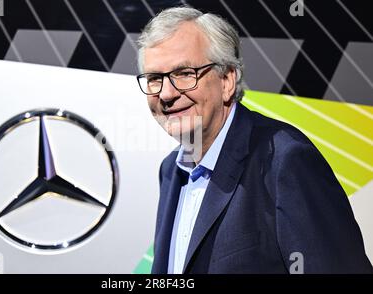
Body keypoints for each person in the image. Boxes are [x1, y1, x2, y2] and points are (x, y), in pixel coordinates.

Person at [136, 6, 372, 274]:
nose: (166, 93)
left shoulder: (285, 160)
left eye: (184, 74)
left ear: (226, 80)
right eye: (155, 78)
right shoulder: (171, 171)